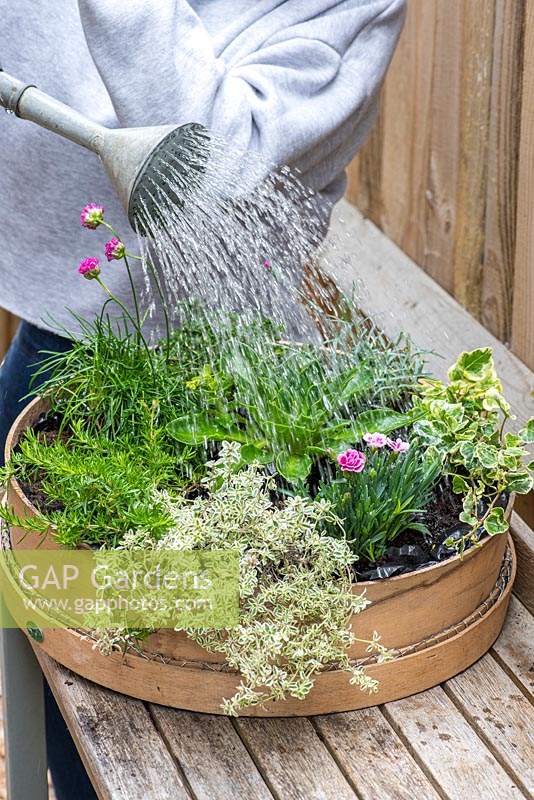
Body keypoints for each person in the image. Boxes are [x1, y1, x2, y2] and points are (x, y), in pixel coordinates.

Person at [0, 1, 405, 796]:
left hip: (208, 420)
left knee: (137, 718)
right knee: (55, 679)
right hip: (49, 363)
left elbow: (204, 174)